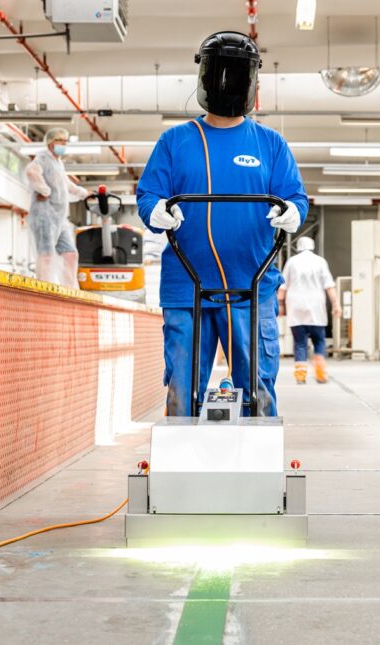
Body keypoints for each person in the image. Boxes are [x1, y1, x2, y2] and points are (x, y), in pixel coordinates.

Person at [137, 31, 308, 417]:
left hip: (251, 284)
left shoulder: (271, 144)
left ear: (251, 83)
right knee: (182, 390)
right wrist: (156, 209)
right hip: (187, 288)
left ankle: (258, 468)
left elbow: (295, 197)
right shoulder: (175, 141)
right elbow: (148, 195)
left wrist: (295, 212)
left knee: (258, 388)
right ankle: (179, 470)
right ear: (206, 77)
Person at [24, 127, 90, 288]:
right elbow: (31, 172)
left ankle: (70, 290)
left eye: (66, 142)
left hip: (60, 219)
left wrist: (84, 193)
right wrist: (43, 190)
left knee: (70, 253)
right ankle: (44, 288)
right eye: (61, 141)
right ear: (51, 143)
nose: (64, 145)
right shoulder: (44, 158)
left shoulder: (58, 163)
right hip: (44, 216)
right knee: (46, 254)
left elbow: (65, 183)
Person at [278, 236, 339, 384]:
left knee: (299, 342)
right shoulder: (320, 262)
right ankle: (320, 372)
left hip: (296, 308)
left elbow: (282, 287)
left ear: (298, 247)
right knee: (319, 341)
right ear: (312, 246)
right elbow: (329, 286)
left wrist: (279, 305)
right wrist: (336, 304)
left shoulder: (291, 262)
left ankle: (300, 375)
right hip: (316, 307)